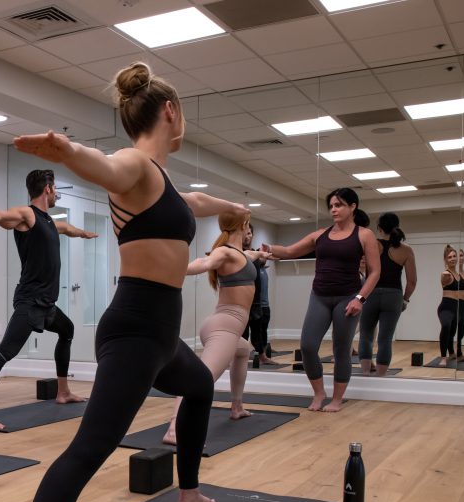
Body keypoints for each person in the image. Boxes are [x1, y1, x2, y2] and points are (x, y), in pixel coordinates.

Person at [3, 62, 247, 502]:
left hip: (161, 337)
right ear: (170, 111)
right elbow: (107, 166)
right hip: (136, 331)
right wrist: (65, 151)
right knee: (89, 449)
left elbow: (195, 200)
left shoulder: (160, 179)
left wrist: (231, 208)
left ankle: (187, 492)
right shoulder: (136, 164)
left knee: (198, 385)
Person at [0, 170, 97, 430]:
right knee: (4, 352)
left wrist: (83, 233)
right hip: (31, 301)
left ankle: (63, 391)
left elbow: (66, 228)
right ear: (48, 189)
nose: (57, 194)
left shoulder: (49, 221)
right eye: (55, 189)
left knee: (67, 330)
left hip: (46, 304)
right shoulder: (27, 215)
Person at [261, 188, 379, 412]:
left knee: (341, 349)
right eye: (332, 206)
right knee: (307, 345)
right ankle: (319, 392)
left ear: (353, 206)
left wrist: (359, 299)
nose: (334, 209)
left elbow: (374, 272)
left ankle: (336, 399)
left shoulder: (364, 235)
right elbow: (289, 251)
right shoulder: (320, 235)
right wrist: (269, 249)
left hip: (348, 298)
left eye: (339, 205)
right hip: (320, 296)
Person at [162, 212, 275, 445]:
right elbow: (205, 263)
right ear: (243, 226)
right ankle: (174, 428)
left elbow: (253, 255)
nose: (249, 232)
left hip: (225, 327)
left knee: (243, 350)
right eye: (248, 227)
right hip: (223, 328)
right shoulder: (224, 252)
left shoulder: (239, 254)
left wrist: (263, 253)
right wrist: (175, 268)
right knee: (199, 379)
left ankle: (237, 407)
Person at [358, 213, 416, 376]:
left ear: (380, 228)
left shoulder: (371, 244)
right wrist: (405, 300)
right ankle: (381, 376)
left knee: (366, 335)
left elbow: (359, 266)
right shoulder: (406, 250)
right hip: (394, 296)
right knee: (385, 337)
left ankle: (365, 373)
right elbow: (412, 281)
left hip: (370, 294)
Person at [242, 223, 277, 365]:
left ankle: (262, 356)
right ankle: (239, 357)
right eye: (245, 233)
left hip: (256, 301)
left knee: (258, 332)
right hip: (242, 301)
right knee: (242, 333)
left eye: (250, 233)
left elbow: (263, 259)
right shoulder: (237, 253)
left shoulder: (255, 254)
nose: (247, 236)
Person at [436, 246, 464, 366]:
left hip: (457, 309)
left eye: (454, 256)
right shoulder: (447, 274)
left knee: (454, 333)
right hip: (446, 308)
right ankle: (443, 357)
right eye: (449, 257)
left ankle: (455, 354)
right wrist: (444, 275)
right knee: (446, 327)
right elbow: (443, 276)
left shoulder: (458, 274)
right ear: (445, 260)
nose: (452, 259)